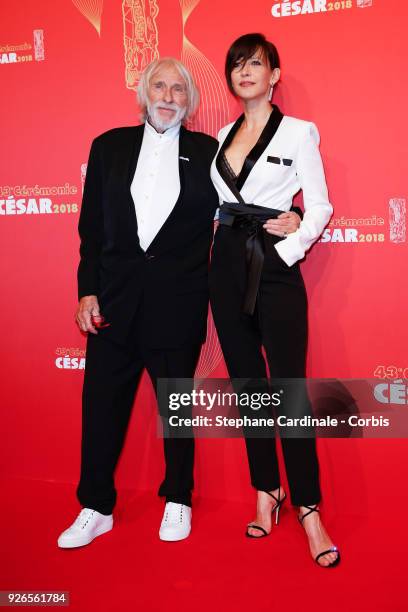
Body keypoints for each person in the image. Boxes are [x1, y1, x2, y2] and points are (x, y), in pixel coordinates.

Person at [57, 56, 301, 548]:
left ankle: (178, 498)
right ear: (144, 93)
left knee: (176, 408)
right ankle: (95, 505)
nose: (168, 96)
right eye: (160, 87)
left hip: (179, 301)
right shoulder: (108, 148)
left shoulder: (208, 151)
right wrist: (87, 289)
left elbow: (246, 196)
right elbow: (91, 230)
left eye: (178, 90)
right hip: (114, 303)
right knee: (101, 405)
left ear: (190, 102)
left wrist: (292, 213)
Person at [209, 33, 340, 567]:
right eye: (237, 64)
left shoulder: (299, 131)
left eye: (255, 64)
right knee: (250, 391)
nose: (245, 72)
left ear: (274, 74)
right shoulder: (222, 133)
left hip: (276, 268)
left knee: (287, 391)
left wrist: (293, 244)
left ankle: (309, 506)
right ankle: (268, 491)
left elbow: (321, 206)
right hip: (225, 267)